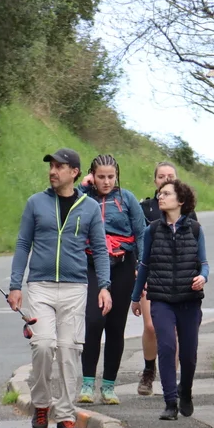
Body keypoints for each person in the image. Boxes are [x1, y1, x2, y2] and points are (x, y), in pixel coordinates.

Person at [9, 148, 112, 428]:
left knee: (69, 352)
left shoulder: (89, 207)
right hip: (40, 286)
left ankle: (66, 416)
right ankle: (41, 403)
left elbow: (100, 249)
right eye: (51, 167)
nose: (53, 172)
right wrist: (15, 285)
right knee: (42, 345)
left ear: (74, 172)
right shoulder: (36, 203)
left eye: (59, 167)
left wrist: (104, 286)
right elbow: (23, 244)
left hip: (75, 287)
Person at [131, 179, 210, 421]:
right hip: (161, 298)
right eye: (159, 193)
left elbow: (204, 264)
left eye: (166, 193)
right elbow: (144, 265)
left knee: (188, 354)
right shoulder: (152, 230)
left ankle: (185, 390)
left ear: (181, 200)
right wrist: (135, 298)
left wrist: (202, 277)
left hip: (189, 300)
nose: (160, 197)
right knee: (166, 348)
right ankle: (170, 402)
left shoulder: (195, 229)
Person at [75, 154, 147, 405]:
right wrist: (83, 186)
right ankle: (87, 384)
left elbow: (141, 233)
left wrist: (141, 267)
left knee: (116, 327)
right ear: (92, 176)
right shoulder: (84, 198)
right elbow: (64, 204)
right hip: (92, 265)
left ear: (117, 176)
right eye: (101, 177)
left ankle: (108, 386)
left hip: (123, 266)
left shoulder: (127, 199)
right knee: (94, 321)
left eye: (110, 177)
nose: (106, 182)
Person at [135, 162, 198, 395]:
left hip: (179, 278)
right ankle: (149, 370)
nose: (166, 179)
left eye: (170, 175)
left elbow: (194, 244)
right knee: (151, 326)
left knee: (175, 331)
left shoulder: (187, 211)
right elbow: (137, 239)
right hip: (152, 276)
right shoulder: (145, 208)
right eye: (161, 176)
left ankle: (170, 380)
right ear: (155, 181)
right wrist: (138, 272)